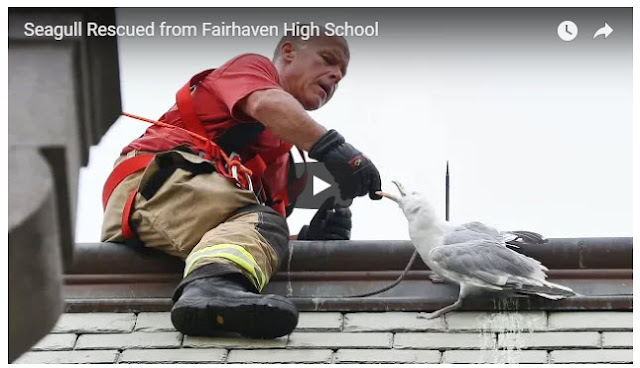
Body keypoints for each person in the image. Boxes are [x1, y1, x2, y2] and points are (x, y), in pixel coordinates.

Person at [101, 29, 382, 339]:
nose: (334, 76)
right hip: (155, 186)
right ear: (288, 52)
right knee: (262, 219)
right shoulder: (252, 69)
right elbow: (266, 104)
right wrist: (333, 149)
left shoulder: (279, 164)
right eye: (328, 60)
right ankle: (209, 289)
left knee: (264, 223)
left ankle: (214, 293)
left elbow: (245, 233)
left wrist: (306, 240)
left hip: (171, 218)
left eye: (341, 76)